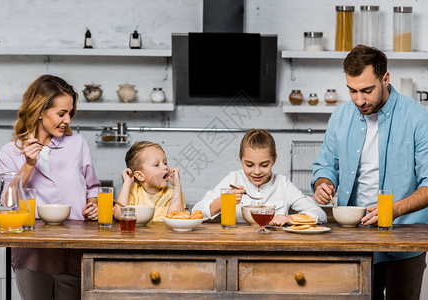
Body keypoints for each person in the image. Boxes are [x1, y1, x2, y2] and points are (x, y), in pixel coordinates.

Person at [312, 44, 428, 300]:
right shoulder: (340, 116)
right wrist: (323, 182)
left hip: (404, 241)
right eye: (352, 91)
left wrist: (394, 209)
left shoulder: (418, 118)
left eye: (367, 90)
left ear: (386, 79)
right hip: (353, 239)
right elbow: (325, 166)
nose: (359, 100)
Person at [0, 74, 100, 300]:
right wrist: (28, 165)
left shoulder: (78, 144)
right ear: (40, 111)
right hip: (33, 254)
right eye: (61, 114)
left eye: (70, 113)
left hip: (74, 250)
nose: (68, 120)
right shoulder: (11, 152)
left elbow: (93, 187)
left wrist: (92, 204)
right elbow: (7, 203)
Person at [193, 129, 326, 225]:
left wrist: (291, 218)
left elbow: (319, 214)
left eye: (264, 165)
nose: (256, 172)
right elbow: (197, 211)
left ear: (274, 160)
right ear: (240, 159)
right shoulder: (233, 179)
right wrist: (224, 200)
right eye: (249, 165)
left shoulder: (282, 183)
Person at [113, 141, 185, 221]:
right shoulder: (132, 191)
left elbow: (176, 218)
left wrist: (177, 187)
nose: (165, 167)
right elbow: (119, 215)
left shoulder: (173, 193)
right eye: (156, 165)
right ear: (140, 175)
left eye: (165, 163)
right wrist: (126, 183)